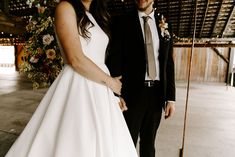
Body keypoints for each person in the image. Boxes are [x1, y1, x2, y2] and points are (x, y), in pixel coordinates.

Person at [5, 0, 138, 157]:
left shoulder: (96, 15)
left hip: (100, 86)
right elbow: (75, 59)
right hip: (78, 84)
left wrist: (112, 94)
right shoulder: (66, 7)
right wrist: (111, 82)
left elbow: (98, 60)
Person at [106, 0, 176, 157]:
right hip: (131, 94)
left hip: (157, 94)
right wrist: (116, 94)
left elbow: (168, 63)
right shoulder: (121, 22)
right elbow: (114, 60)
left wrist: (170, 98)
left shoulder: (165, 23)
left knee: (149, 144)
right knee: (126, 142)